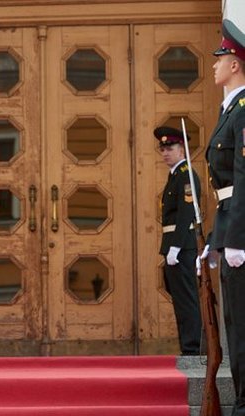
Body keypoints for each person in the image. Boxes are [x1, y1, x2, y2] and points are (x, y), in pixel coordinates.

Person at [204, 19, 245, 414]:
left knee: (243, 323)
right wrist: (215, 239)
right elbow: (226, 189)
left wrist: (236, 238)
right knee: (235, 321)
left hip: (241, 232)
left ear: (235, 64)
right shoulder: (230, 110)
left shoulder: (244, 112)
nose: (214, 64)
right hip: (230, 224)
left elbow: (244, 178)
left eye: (220, 58)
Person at [154, 126, 202, 356]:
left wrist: (176, 245)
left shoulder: (186, 174)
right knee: (180, 300)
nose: (165, 153)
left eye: (170, 148)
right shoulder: (175, 175)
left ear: (181, 149)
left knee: (187, 301)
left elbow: (186, 212)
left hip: (182, 247)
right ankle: (188, 347)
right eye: (162, 149)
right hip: (173, 245)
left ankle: (193, 349)